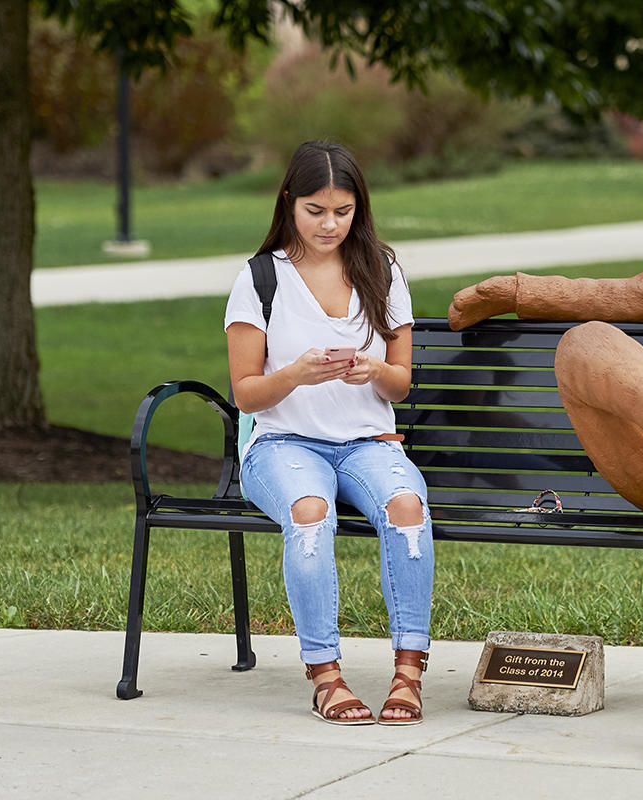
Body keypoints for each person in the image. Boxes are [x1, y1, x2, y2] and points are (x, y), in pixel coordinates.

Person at [223, 141, 432, 726]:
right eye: (316, 210)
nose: (330, 224)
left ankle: (409, 671)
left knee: (408, 507)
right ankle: (326, 676)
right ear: (289, 202)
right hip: (283, 445)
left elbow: (401, 384)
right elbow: (245, 393)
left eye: (343, 212)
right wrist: (294, 375)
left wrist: (374, 370)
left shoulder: (381, 270)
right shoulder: (260, 279)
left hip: (368, 442)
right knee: (311, 512)